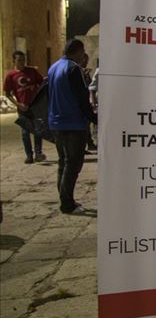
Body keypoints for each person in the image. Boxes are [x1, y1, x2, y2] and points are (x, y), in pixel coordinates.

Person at [47, 39, 97, 215]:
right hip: (73, 123)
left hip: (56, 122)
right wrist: (94, 118)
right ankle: (67, 204)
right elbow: (82, 98)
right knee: (73, 164)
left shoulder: (54, 67)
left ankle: (65, 199)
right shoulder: (73, 69)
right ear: (78, 51)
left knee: (63, 162)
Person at [4, 50, 46, 163]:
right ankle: (29, 155)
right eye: (19, 60)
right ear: (14, 61)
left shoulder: (32, 71)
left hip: (35, 106)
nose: (22, 62)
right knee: (25, 132)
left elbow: (41, 83)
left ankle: (38, 153)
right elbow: (7, 93)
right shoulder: (11, 76)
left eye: (23, 60)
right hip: (22, 108)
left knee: (38, 130)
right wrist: (18, 104)